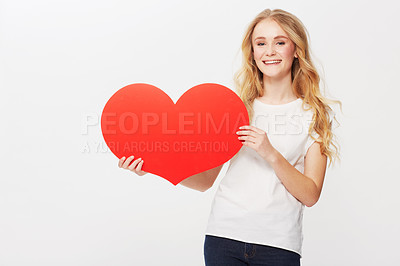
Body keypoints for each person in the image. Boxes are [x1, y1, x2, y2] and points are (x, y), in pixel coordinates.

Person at [118, 8, 341, 266]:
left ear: (297, 50)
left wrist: (271, 154)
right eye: (261, 43)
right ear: (253, 54)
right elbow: (205, 181)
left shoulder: (314, 115)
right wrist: (153, 166)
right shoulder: (235, 109)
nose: (270, 51)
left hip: (278, 243)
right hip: (223, 237)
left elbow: (311, 195)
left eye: (280, 42)